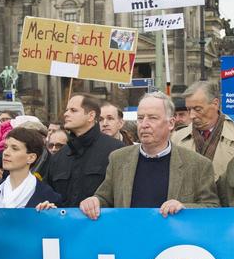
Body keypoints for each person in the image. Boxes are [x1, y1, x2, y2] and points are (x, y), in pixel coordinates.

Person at [80, 92, 217, 219]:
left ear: (171, 123)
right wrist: (94, 201)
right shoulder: (118, 159)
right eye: (140, 118)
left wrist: (184, 208)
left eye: (152, 118)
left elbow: (213, 208)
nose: (144, 124)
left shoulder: (198, 164)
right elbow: (105, 198)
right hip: (130, 240)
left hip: (173, 242)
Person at [44, 94, 124, 207]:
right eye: (66, 110)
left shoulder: (116, 151)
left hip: (103, 223)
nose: (66, 114)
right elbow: (49, 194)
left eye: (73, 110)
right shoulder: (59, 156)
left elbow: (123, 196)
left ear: (91, 116)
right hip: (65, 223)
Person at [0, 127, 61, 210]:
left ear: (31, 157)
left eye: (14, 149)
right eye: (6, 147)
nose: (6, 153)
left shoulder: (48, 197)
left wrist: (49, 216)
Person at [172, 80, 234, 180]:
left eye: (198, 109)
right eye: (189, 110)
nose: (192, 115)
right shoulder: (176, 139)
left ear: (215, 104)